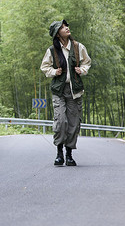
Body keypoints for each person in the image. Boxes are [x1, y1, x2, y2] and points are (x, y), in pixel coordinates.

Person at [40, 20, 91, 166]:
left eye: (66, 26)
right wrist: (54, 72)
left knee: (73, 123)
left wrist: (82, 70)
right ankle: (59, 153)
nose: (66, 28)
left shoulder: (78, 47)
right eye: (62, 27)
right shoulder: (51, 50)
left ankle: (69, 155)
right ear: (57, 34)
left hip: (75, 90)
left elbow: (87, 62)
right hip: (59, 91)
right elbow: (44, 67)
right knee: (61, 121)